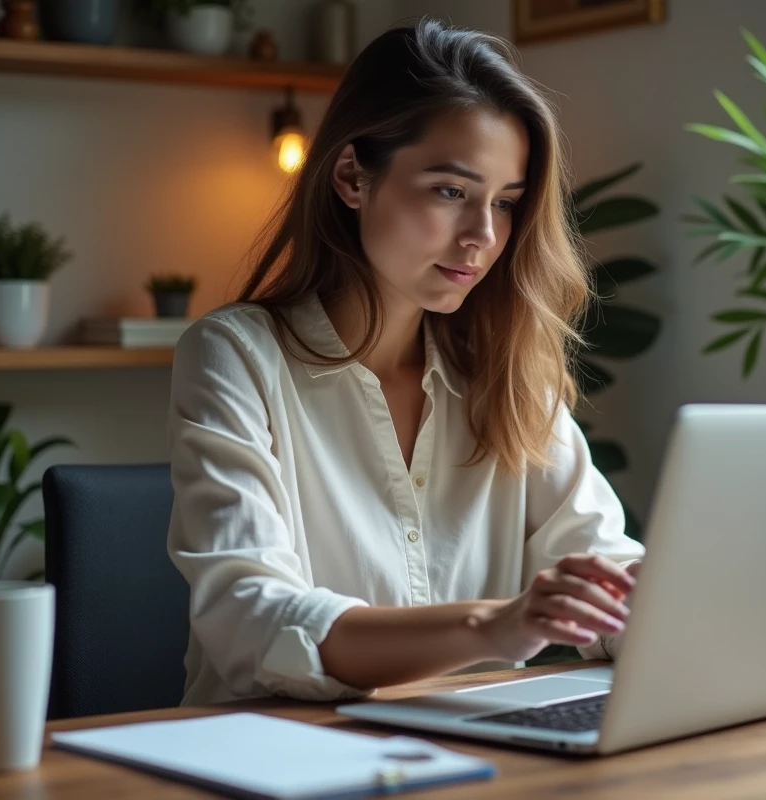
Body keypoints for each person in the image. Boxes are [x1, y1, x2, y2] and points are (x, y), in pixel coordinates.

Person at [166, 17, 645, 706]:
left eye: (505, 204)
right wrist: (492, 625)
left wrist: (664, 608)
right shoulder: (236, 356)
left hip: (480, 762)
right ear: (353, 177)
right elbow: (252, 617)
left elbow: (604, 563)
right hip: (278, 756)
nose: (483, 236)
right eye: (450, 191)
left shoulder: (505, 375)